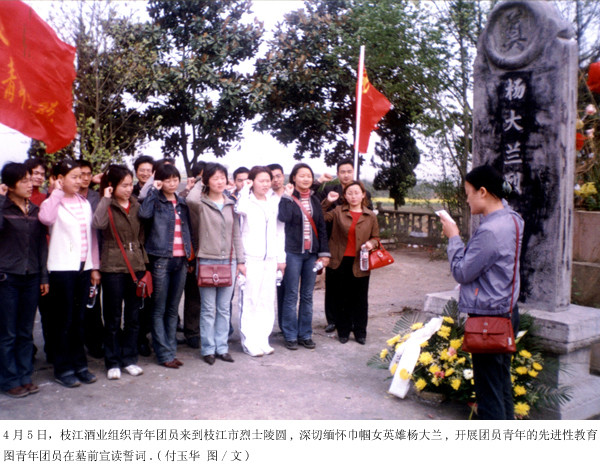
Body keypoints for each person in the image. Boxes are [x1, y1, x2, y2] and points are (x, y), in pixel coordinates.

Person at [440, 164, 524, 420]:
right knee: (500, 386)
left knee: (489, 395)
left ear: (483, 192)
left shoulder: (490, 230)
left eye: (468, 193)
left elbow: (462, 272)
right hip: (506, 311)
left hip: (490, 319)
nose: (467, 199)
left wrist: (453, 237)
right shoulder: (513, 219)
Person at [39, 159, 100, 388]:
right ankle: (63, 368)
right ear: (59, 179)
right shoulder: (53, 202)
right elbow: (46, 219)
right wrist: (55, 192)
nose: (79, 181)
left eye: (81, 176)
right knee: (62, 320)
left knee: (79, 319)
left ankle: (80, 365)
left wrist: (94, 266)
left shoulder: (84, 202)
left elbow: (91, 237)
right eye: (73, 177)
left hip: (83, 268)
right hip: (62, 268)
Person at [187, 163, 246, 365]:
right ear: (207, 181)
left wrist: (240, 260)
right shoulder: (201, 203)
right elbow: (190, 198)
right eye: (215, 178)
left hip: (229, 261)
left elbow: (236, 234)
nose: (220, 182)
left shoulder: (231, 203)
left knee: (224, 308)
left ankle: (222, 348)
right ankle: (208, 349)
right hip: (207, 259)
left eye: (222, 177)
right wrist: (198, 181)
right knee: (208, 308)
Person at [92, 165, 147, 380]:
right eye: (123, 185)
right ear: (112, 186)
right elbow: (98, 224)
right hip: (113, 267)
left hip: (136, 267)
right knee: (113, 317)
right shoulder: (106, 204)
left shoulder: (136, 205)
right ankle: (112, 361)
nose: (128, 189)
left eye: (130, 184)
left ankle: (129, 359)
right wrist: (105, 199)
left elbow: (142, 235)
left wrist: (142, 260)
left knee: (133, 317)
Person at [0, 163, 48, 398]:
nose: (31, 185)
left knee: (25, 330)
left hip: (31, 277)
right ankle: (9, 379)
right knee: (8, 332)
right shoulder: (3, 208)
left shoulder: (35, 210)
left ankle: (25, 376)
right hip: (7, 278)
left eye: (31, 180)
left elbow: (41, 246)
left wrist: (44, 275)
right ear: (10, 186)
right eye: (24, 181)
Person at [138, 164, 192, 369]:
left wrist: (190, 258)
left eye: (175, 179)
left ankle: (171, 350)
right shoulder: (156, 200)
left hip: (181, 260)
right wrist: (153, 189)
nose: (171, 183)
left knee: (172, 309)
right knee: (158, 308)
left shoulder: (182, 202)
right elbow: (144, 214)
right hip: (161, 259)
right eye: (167, 180)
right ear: (159, 181)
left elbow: (187, 231)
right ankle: (163, 353)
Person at [313, 158, 373, 334]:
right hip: (333, 241)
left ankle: (353, 322)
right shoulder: (330, 190)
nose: (346, 175)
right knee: (333, 285)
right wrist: (320, 183)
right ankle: (332, 320)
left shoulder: (363, 192)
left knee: (355, 287)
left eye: (349, 171)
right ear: (337, 174)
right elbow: (315, 204)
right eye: (342, 172)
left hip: (355, 244)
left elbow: (368, 217)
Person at [278, 163, 330, 350]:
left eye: (309, 175)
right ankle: (290, 335)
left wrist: (324, 254)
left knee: (307, 295)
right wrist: (286, 197)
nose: (306, 179)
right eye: (302, 175)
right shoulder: (288, 198)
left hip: (311, 255)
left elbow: (321, 227)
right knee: (291, 294)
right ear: (293, 178)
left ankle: (305, 334)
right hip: (292, 253)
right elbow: (284, 217)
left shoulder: (315, 199)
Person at [235, 166, 285, 357]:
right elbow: (239, 209)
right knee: (250, 300)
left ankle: (263, 339)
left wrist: (280, 258)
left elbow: (279, 231)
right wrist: (245, 189)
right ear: (252, 181)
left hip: (270, 259)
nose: (265, 184)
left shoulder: (273, 202)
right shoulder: (246, 201)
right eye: (261, 180)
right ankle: (249, 342)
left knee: (266, 300)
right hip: (251, 258)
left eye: (268, 180)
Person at [322, 181, 379, 344]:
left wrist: (371, 244)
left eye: (357, 192)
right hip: (339, 260)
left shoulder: (370, 215)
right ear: (345, 196)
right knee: (341, 298)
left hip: (360, 261)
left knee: (360, 298)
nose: (353, 196)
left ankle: (360, 332)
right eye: (350, 193)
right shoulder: (338, 211)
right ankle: (343, 331)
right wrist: (328, 202)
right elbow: (320, 216)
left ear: (363, 195)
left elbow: (376, 237)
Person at [79, 160, 104, 359]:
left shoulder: (96, 197)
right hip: (72, 259)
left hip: (94, 255)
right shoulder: (65, 198)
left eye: (89, 174)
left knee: (93, 303)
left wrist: (96, 265)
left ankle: (95, 343)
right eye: (81, 174)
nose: (85, 178)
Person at [181, 161, 206, 349]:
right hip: (191, 251)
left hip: (210, 253)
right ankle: (191, 331)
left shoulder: (215, 195)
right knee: (192, 295)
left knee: (206, 297)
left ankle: (201, 331)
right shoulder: (189, 196)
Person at [267, 163, 286, 331]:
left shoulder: (291, 195)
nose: (275, 180)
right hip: (270, 247)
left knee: (287, 289)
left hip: (290, 246)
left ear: (283, 177)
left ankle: (285, 326)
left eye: (278, 176)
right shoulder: (264, 198)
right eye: (271, 177)